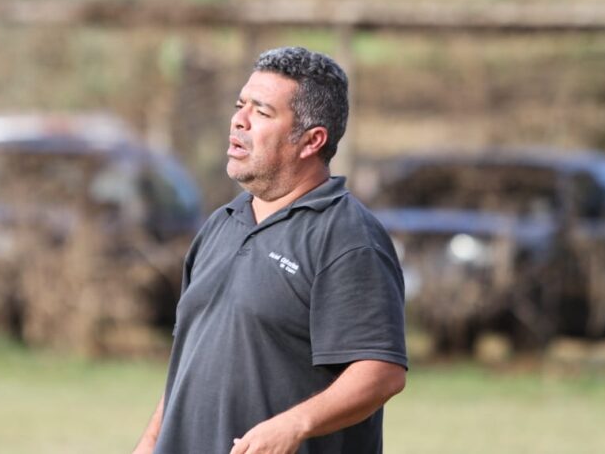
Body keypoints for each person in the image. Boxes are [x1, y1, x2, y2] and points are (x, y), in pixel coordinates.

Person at [133, 46, 407, 454]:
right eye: (240, 105)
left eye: (261, 113)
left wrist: (295, 424)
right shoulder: (219, 225)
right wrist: (150, 443)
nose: (238, 121)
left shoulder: (347, 237)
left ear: (311, 140)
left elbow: (381, 371)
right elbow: (190, 361)